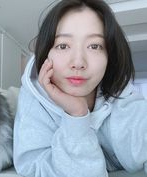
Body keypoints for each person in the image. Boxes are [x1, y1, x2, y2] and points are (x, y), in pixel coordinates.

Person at [13, 0, 147, 177]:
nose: (78, 63)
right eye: (63, 46)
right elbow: (34, 167)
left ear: (109, 56)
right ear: (46, 54)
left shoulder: (124, 97)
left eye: (94, 46)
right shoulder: (33, 99)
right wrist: (77, 117)